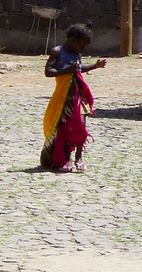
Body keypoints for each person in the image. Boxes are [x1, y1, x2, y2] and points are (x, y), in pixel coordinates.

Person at [41, 24, 106, 173]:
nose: (83, 49)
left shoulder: (77, 54)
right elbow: (48, 71)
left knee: (81, 126)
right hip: (64, 97)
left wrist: (95, 66)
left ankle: (79, 158)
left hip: (78, 94)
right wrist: (66, 70)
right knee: (66, 128)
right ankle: (67, 159)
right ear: (72, 40)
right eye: (82, 46)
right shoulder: (57, 51)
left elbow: (79, 69)